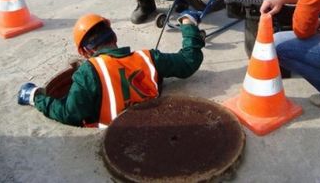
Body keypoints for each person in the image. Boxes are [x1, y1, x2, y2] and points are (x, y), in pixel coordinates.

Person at [17, 11, 204, 127]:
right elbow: (189, 62)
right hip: (158, 125)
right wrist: (189, 26)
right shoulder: (148, 58)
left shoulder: (88, 72)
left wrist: (36, 97)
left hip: (115, 140)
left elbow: (70, 114)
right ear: (114, 37)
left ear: (84, 52)